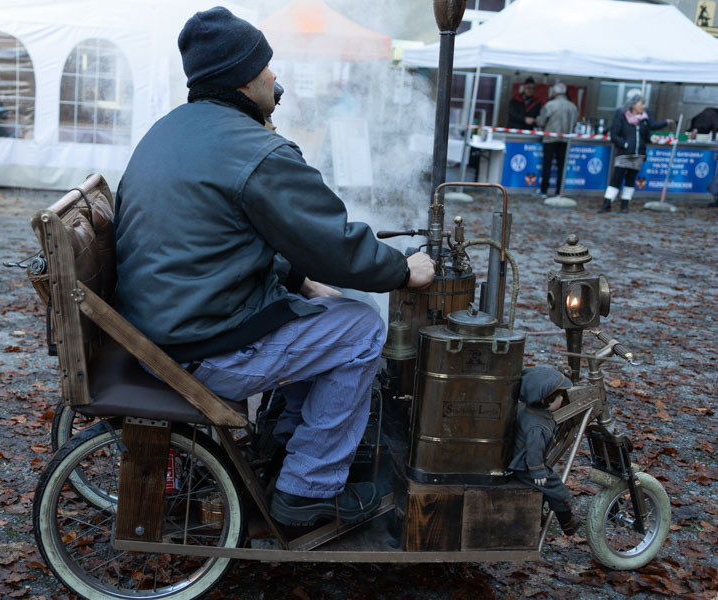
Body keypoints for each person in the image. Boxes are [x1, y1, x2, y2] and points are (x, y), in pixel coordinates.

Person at [112, 7, 436, 527]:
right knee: (361, 330)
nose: (277, 80)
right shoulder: (255, 151)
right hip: (194, 345)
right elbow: (331, 243)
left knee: (316, 313)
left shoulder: (169, 130)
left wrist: (298, 280)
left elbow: (211, 238)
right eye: (268, 68)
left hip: (156, 327)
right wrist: (403, 269)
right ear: (242, 76)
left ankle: (288, 449)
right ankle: (307, 492)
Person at [509, 367, 581, 536]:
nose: (562, 399)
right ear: (546, 400)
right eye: (559, 396)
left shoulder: (531, 412)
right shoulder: (537, 426)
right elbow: (534, 451)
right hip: (525, 466)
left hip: (523, 463)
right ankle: (567, 522)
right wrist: (538, 471)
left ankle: (537, 515)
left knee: (547, 487)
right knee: (556, 488)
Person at [599, 92, 674, 213]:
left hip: (638, 154)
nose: (643, 106)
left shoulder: (644, 118)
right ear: (633, 104)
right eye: (641, 103)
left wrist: (651, 138)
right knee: (616, 179)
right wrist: (625, 144)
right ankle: (607, 204)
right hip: (624, 153)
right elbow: (614, 134)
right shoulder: (621, 115)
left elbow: (645, 135)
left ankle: (624, 205)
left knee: (630, 180)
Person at [535, 83, 578, 198]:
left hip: (550, 138)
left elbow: (541, 121)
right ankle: (559, 191)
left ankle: (544, 190)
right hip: (565, 139)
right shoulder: (572, 106)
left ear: (554, 93)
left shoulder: (550, 105)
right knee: (562, 166)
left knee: (547, 165)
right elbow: (574, 123)